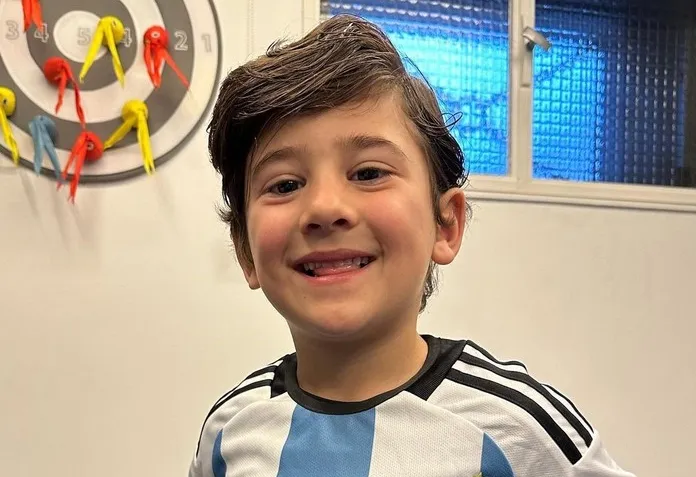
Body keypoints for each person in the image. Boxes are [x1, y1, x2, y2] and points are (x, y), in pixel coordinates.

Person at [189, 14, 634, 477]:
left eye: (368, 173)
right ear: (245, 250)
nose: (324, 207)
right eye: (284, 184)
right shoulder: (230, 429)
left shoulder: (522, 429)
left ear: (445, 224)